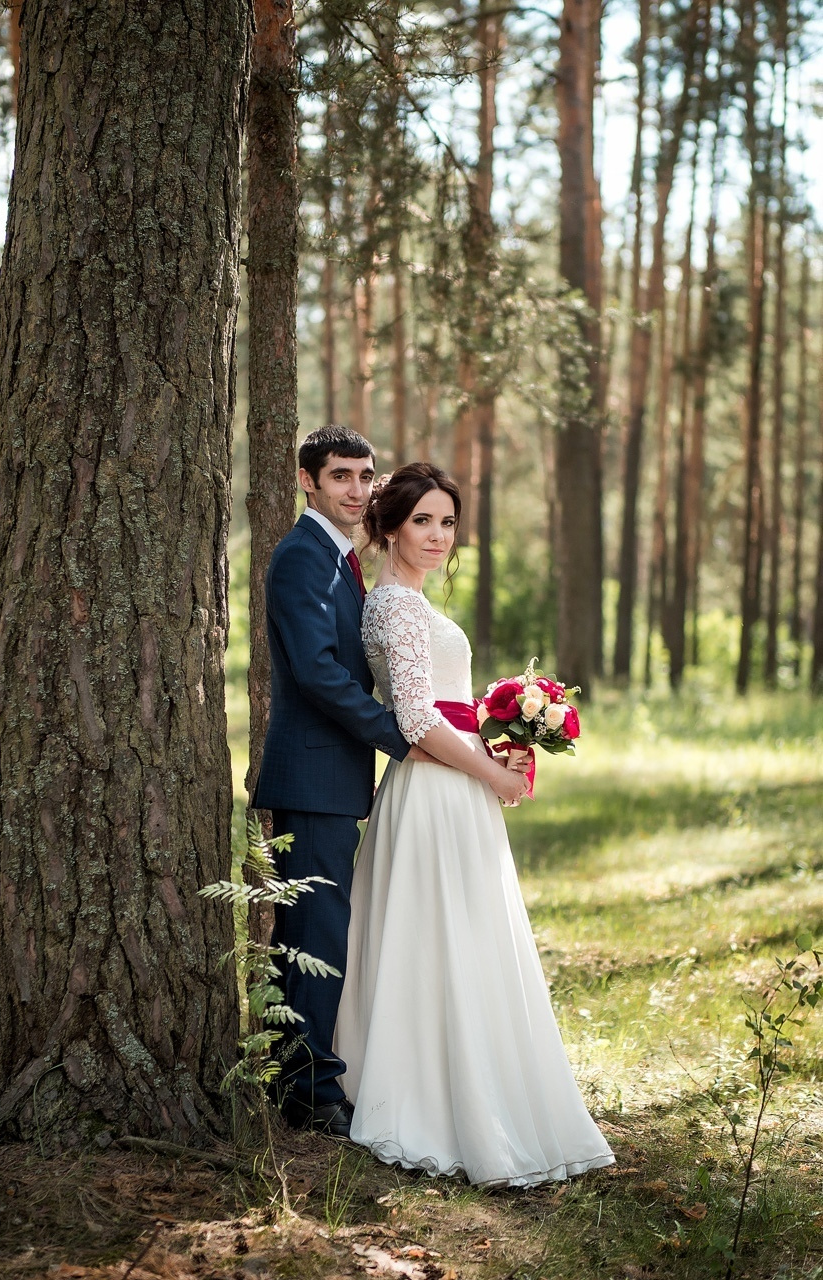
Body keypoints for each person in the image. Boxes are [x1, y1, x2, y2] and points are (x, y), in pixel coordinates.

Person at [333, 463, 615, 1186]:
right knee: (439, 935)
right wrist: (491, 773)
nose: (436, 535)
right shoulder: (394, 603)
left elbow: (446, 706)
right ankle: (431, 1096)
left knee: (461, 935)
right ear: (390, 525)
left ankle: (475, 1079)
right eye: (422, 520)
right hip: (434, 789)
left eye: (447, 522)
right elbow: (418, 716)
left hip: (453, 781)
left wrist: (505, 735)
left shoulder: (411, 600)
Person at [254, 426, 435, 1138]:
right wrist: (400, 735)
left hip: (330, 779)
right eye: (341, 478)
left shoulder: (340, 558)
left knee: (311, 930)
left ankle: (296, 1073)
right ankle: (310, 1091)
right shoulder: (302, 556)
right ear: (308, 481)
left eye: (365, 477)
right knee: (316, 932)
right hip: (311, 777)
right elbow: (318, 672)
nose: (357, 490)